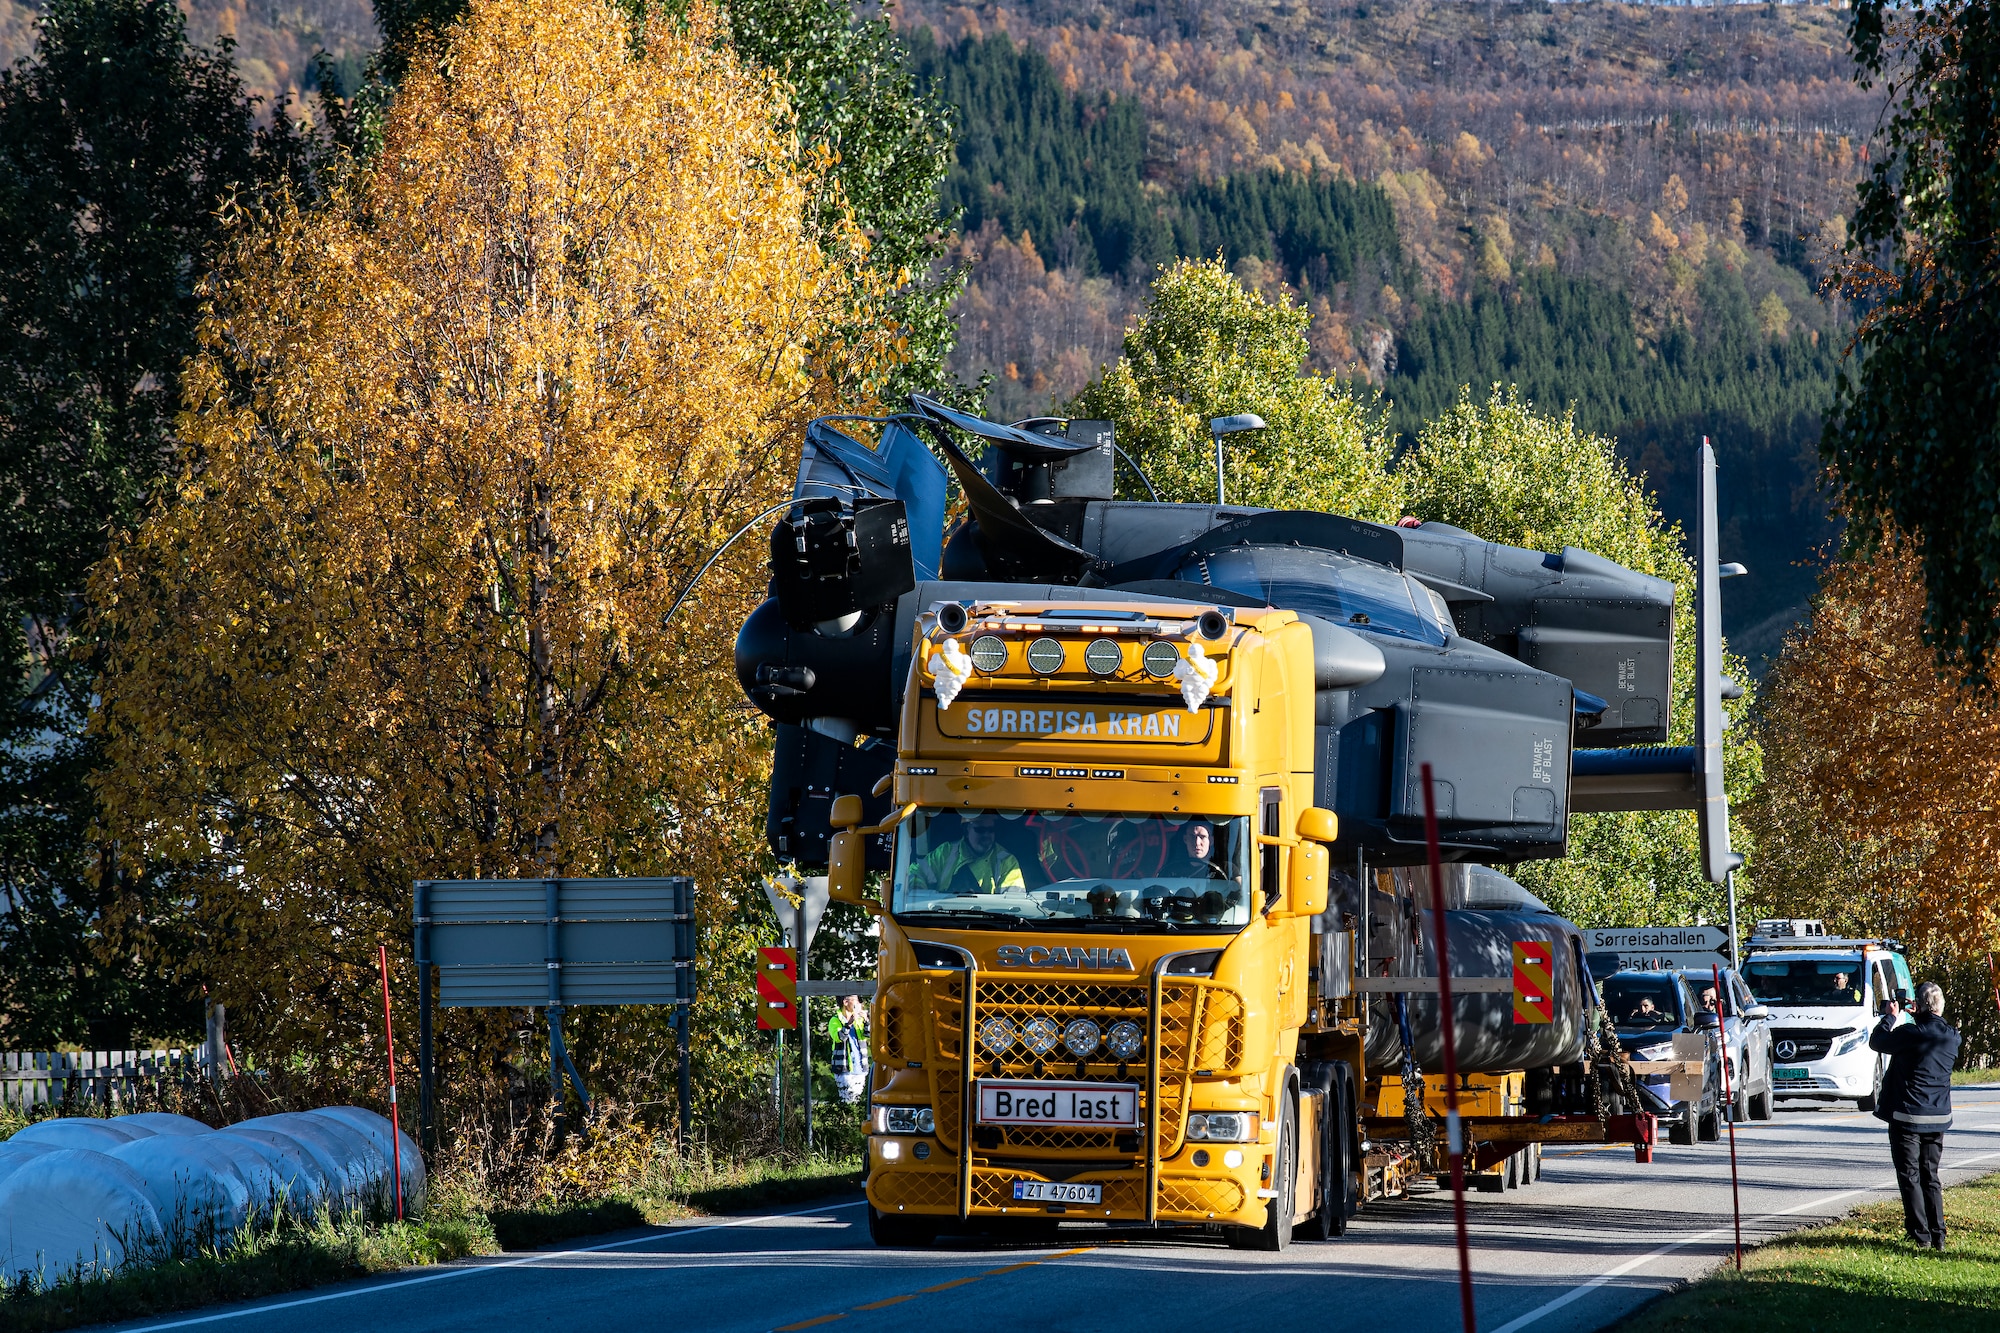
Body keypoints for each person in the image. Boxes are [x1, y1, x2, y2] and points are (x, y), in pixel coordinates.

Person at [1870, 980, 1962, 1249]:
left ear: (1920, 1006)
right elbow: (1932, 1024)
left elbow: (1878, 1042)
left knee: (1910, 1175)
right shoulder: (1952, 1036)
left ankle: (1920, 1235)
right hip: (1938, 1116)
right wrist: (1919, 1010)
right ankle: (1939, 1235)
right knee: (1930, 1175)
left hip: (1908, 1115)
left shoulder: (1910, 1033)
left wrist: (1892, 1017)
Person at [912, 813, 1025, 896]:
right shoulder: (945, 852)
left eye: (991, 830)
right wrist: (917, 889)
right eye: (980, 830)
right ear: (966, 831)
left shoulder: (1006, 861)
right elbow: (916, 872)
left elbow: (1012, 904)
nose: (987, 835)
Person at [828, 993, 870, 1105]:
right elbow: (839, 1037)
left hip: (860, 1067)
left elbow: (869, 1034)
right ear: (846, 1002)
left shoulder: (859, 1020)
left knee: (857, 1101)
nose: (859, 1003)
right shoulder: (835, 1020)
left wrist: (866, 1020)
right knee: (846, 1101)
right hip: (844, 1068)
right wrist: (849, 1023)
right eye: (856, 1000)